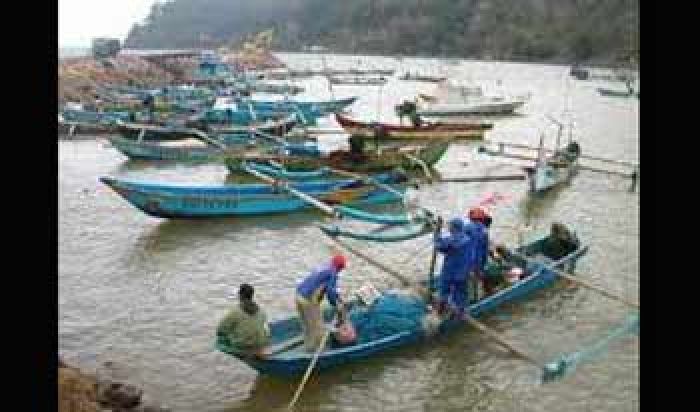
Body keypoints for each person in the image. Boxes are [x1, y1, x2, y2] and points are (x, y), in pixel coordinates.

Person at [296, 255, 347, 351]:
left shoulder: (324, 267)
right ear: (340, 267)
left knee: (307, 326)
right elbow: (330, 291)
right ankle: (316, 351)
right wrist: (336, 305)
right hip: (308, 301)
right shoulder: (333, 273)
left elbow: (325, 287)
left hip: (298, 296)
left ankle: (308, 347)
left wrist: (338, 298)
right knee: (318, 329)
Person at [434, 217, 474, 319]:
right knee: (461, 293)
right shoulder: (468, 239)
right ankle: (461, 313)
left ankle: (440, 313)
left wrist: (437, 233)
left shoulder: (450, 240)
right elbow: (472, 257)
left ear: (454, 228)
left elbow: (439, 246)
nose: (449, 228)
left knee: (444, 292)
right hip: (463, 272)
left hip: (449, 271)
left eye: (450, 226)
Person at [216, 284, 271, 356]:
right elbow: (265, 327)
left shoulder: (235, 312)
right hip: (262, 343)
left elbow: (220, 330)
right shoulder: (260, 311)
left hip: (244, 345)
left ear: (240, 296)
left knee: (227, 334)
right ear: (251, 295)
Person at [463, 207, 491, 301]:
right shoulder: (483, 231)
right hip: (475, 262)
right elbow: (484, 250)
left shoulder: (465, 227)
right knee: (475, 283)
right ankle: (475, 302)